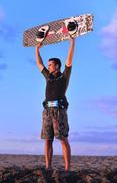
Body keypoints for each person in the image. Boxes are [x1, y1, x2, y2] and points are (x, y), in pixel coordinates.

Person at [35, 37, 75, 171]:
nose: (48, 67)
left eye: (50, 65)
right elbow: (39, 64)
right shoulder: (48, 76)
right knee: (47, 139)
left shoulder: (64, 77)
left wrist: (72, 43)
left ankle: (67, 169)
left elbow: (69, 62)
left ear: (57, 66)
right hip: (47, 111)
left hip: (59, 111)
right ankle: (48, 167)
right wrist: (37, 49)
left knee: (63, 139)